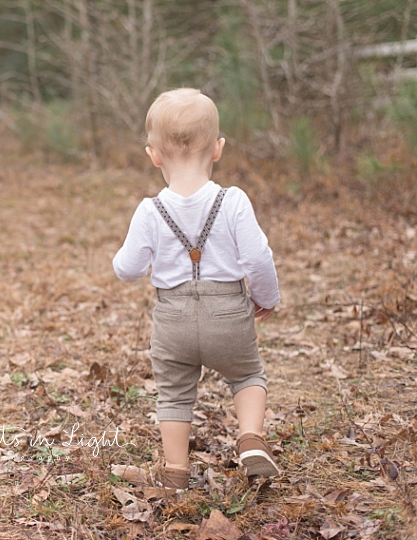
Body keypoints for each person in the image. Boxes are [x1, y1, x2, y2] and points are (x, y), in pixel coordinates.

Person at [112, 88, 281, 493]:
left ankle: (175, 472)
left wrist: (127, 261)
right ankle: (251, 438)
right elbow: (258, 256)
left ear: (154, 155)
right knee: (246, 375)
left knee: (173, 395)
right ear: (218, 148)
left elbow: (128, 269)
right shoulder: (233, 200)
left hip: (173, 320)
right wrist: (266, 297)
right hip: (228, 314)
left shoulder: (150, 210)